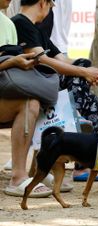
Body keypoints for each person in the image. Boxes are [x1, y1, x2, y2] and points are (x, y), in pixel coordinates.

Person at [11, 0, 98, 181]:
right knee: (79, 84)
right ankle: (75, 128)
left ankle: (78, 128)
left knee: (89, 96)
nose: (50, 11)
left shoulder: (37, 29)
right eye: (51, 6)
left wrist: (87, 70)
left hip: (46, 82)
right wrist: (83, 72)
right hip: (33, 83)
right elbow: (42, 60)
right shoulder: (20, 23)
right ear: (42, 3)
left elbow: (62, 59)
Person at [1, 0, 52, 197]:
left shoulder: (8, 24)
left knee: (33, 101)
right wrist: (12, 61)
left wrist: (19, 62)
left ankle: (21, 176)